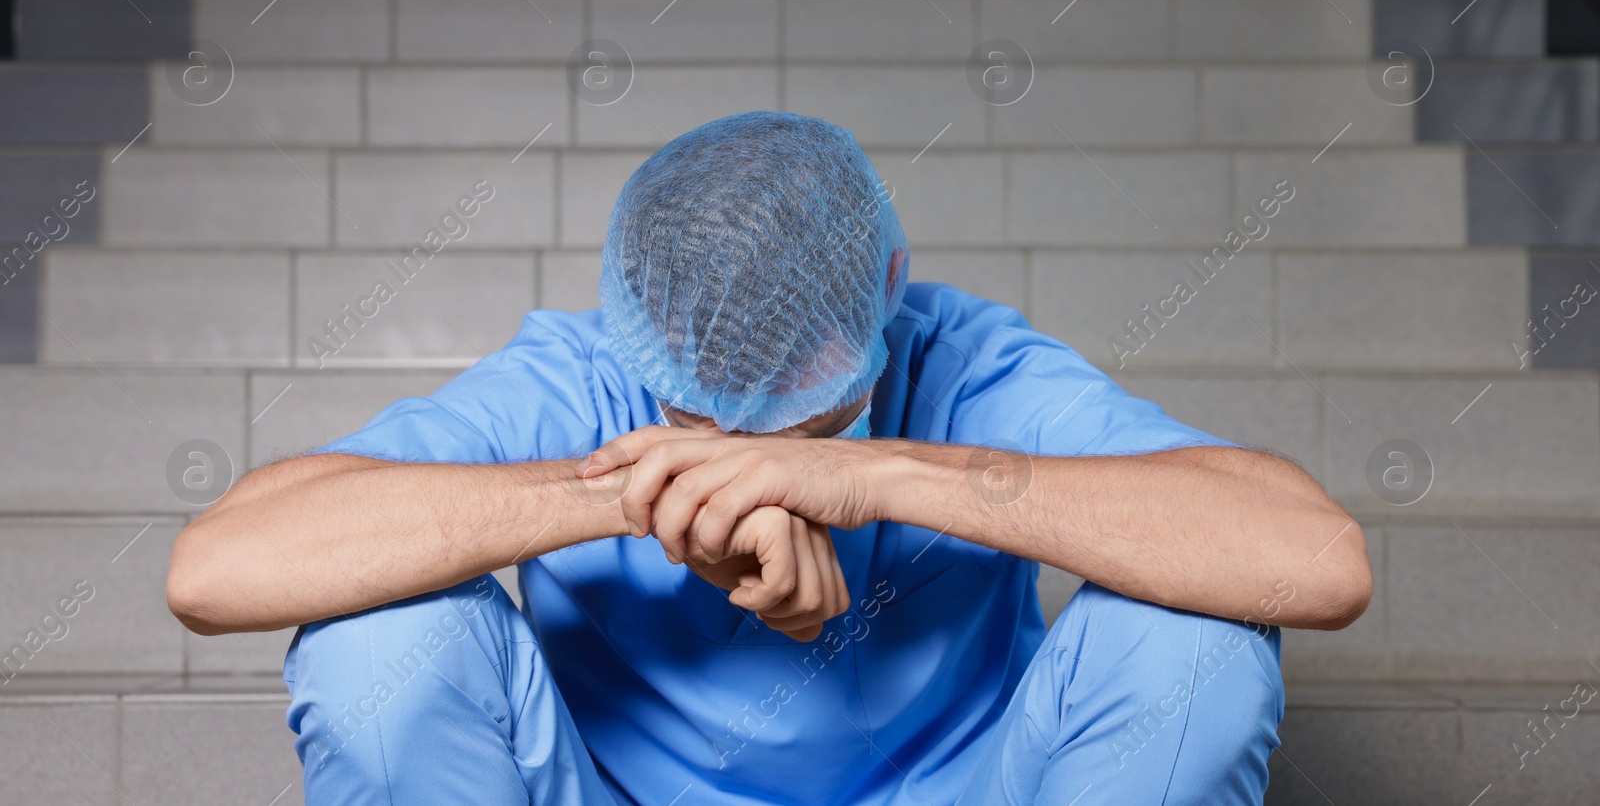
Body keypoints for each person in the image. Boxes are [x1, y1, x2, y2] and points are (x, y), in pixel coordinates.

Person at [166, 111, 1370, 806]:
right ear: (635, 320)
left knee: (1199, 637)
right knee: (379, 636)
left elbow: (1313, 560)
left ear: (892, 292)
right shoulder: (575, 380)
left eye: (800, 428)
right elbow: (217, 569)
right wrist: (624, 490)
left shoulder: (968, 364)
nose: (753, 472)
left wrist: (874, 473)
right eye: (710, 422)